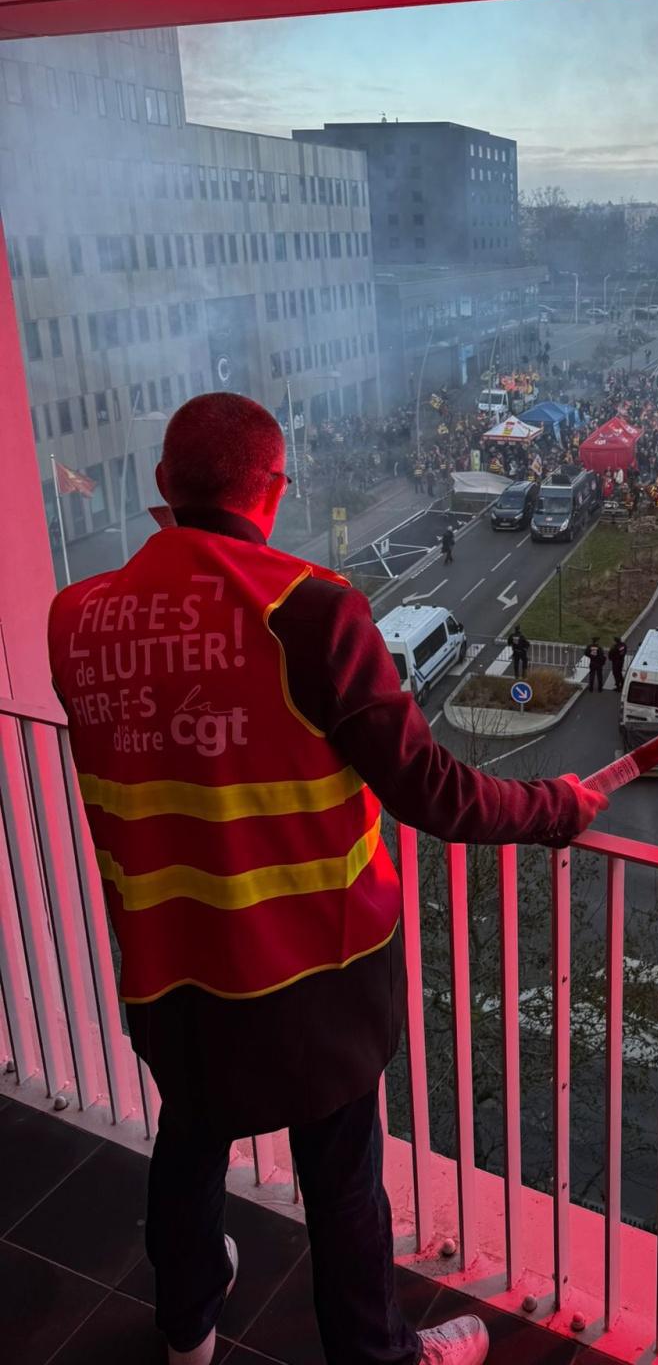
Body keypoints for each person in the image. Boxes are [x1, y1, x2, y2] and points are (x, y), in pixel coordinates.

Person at [46, 395, 607, 1365]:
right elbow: (430, 789)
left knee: (189, 1143)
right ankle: (376, 1354)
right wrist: (553, 806)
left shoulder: (76, 618)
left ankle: (186, 1327)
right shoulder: (310, 610)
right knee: (343, 1178)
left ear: (163, 491)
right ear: (272, 490)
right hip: (312, 977)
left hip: (169, 969)